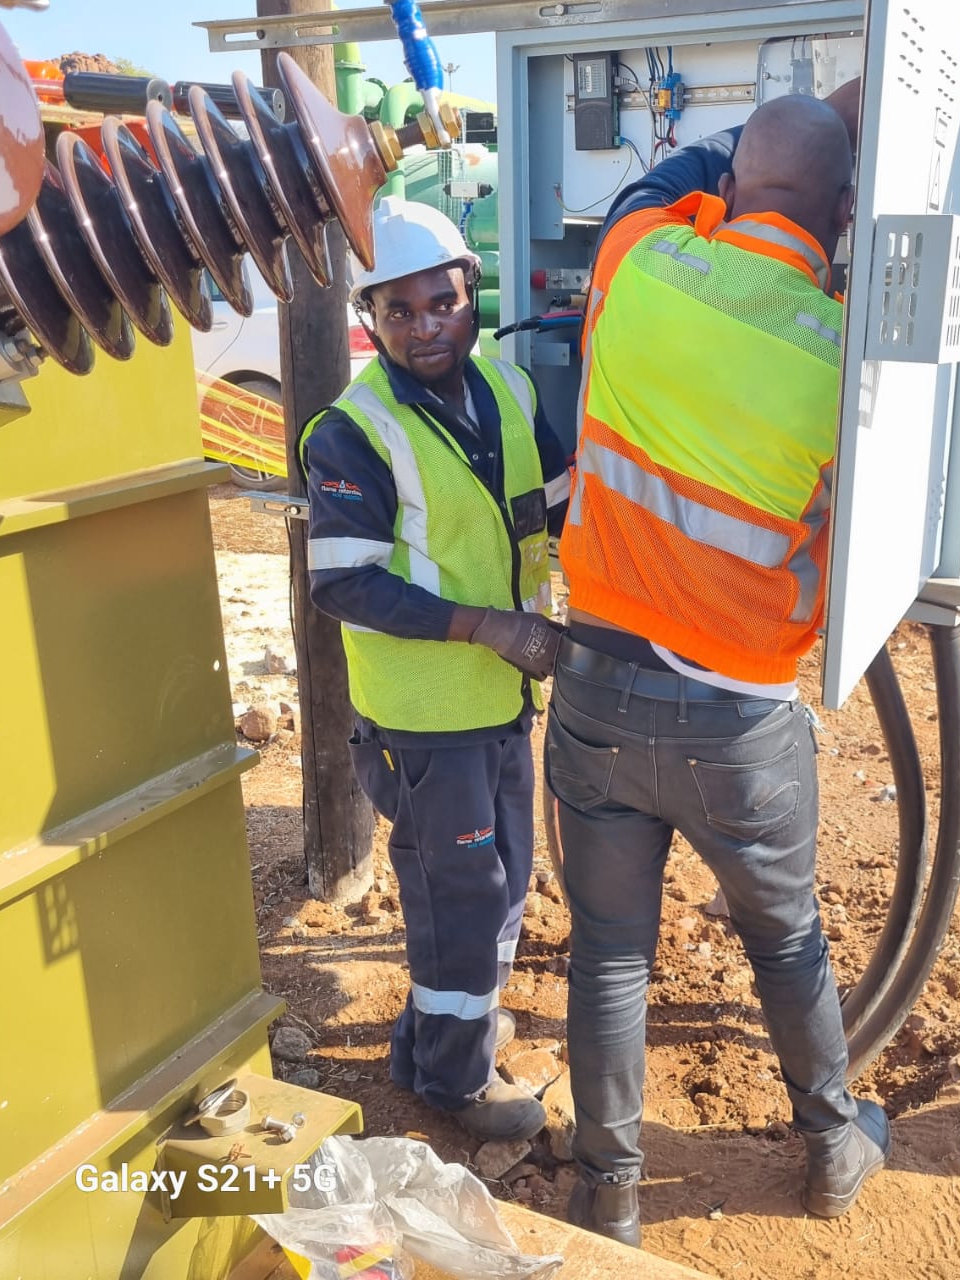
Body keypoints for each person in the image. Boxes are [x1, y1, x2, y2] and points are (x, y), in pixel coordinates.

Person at [546, 85, 889, 1246]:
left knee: (607, 954)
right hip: (739, 722)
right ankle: (831, 1147)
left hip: (594, 692)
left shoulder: (637, 263)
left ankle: (608, 1195)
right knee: (784, 940)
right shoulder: (845, 359)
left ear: (732, 183)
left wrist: (758, 139)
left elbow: (661, 184)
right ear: (841, 216)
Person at [300, 198, 571, 1143]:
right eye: (399, 311)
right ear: (370, 317)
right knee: (461, 896)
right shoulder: (352, 432)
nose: (425, 328)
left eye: (442, 303)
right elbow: (344, 583)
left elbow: (555, 506)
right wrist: (488, 626)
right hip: (423, 718)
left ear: (472, 295)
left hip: (502, 698)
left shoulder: (508, 390)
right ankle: (457, 1084)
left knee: (502, 879)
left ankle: (436, 1043)